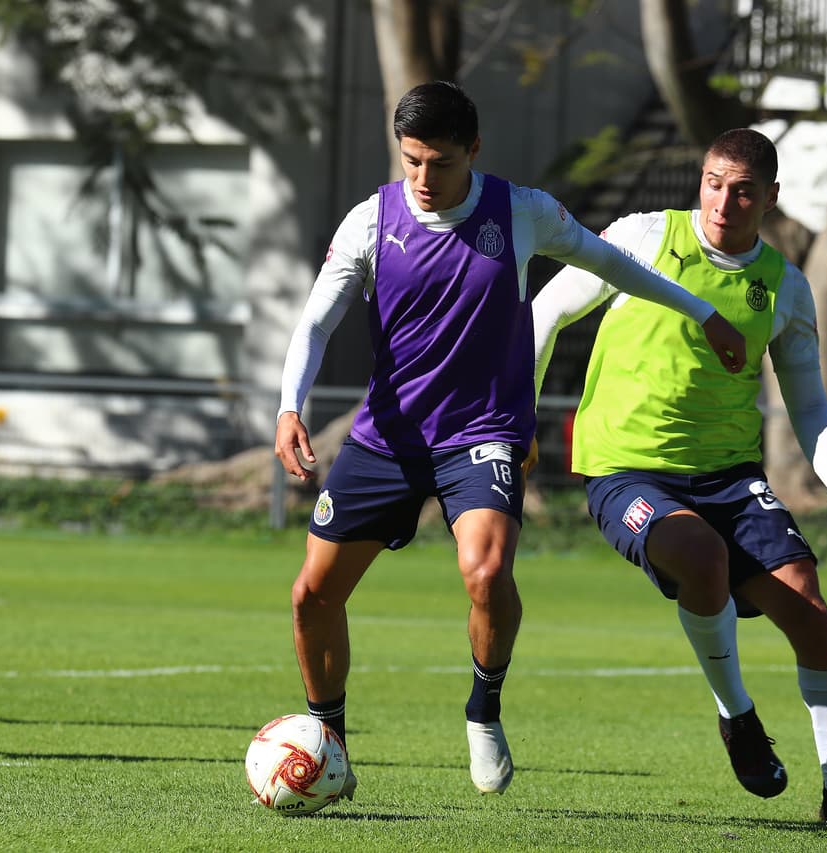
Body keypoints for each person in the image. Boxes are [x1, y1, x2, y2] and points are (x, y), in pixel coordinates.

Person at [274, 81, 747, 799]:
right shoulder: (371, 220)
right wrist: (289, 406)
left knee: (487, 571)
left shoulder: (520, 211)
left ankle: (484, 708)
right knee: (311, 595)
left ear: (474, 151)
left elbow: (612, 264)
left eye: (440, 163)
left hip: (483, 432)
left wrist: (703, 311)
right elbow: (315, 322)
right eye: (412, 163)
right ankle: (326, 737)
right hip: (388, 438)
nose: (425, 180)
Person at [530, 128, 827, 827]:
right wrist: (517, 418)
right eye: (713, 182)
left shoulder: (785, 287)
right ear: (700, 180)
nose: (725, 202)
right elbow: (545, 312)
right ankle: (739, 716)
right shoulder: (642, 237)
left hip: (729, 476)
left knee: (809, 609)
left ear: (770, 197)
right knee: (700, 554)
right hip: (626, 468)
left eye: (744, 190)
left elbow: (809, 406)